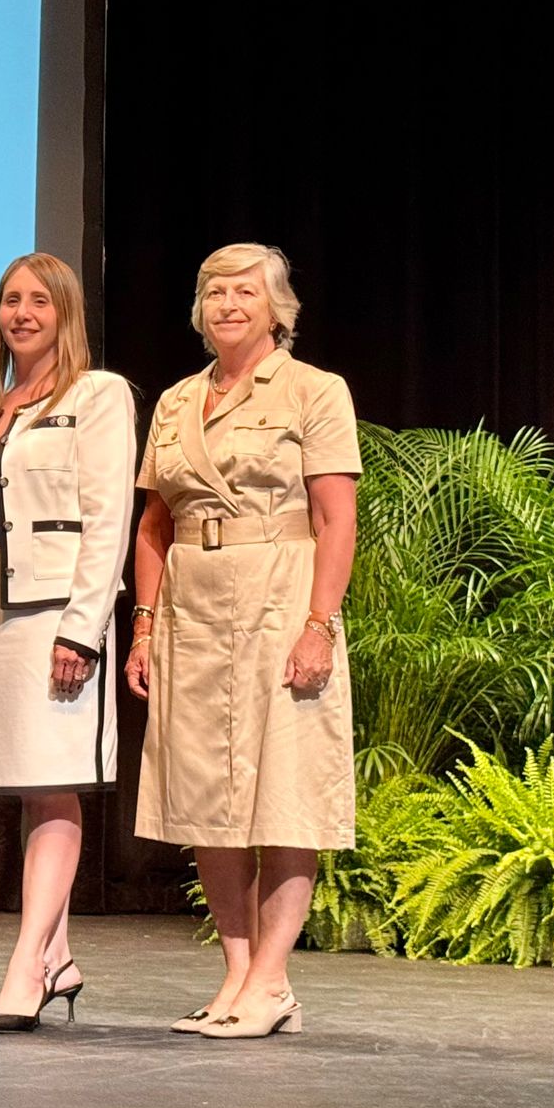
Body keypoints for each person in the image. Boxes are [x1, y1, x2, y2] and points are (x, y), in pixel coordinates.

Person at [124, 242, 359, 1039]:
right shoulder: (177, 401)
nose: (228, 304)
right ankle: (237, 976)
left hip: (281, 591)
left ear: (276, 307)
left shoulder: (314, 392)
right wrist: (146, 623)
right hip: (195, 600)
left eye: (245, 292)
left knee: (285, 793)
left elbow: (336, 518)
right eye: (214, 292)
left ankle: (272, 979)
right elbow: (153, 522)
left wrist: (319, 625)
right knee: (206, 800)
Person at [0, 253, 135, 1032]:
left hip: (58, 611)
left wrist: (83, 630)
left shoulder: (98, 395)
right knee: (30, 785)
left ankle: (26, 969)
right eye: (9, 301)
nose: (21, 313)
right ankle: (57, 958)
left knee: (55, 781)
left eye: (38, 301)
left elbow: (108, 518)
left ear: (65, 311)